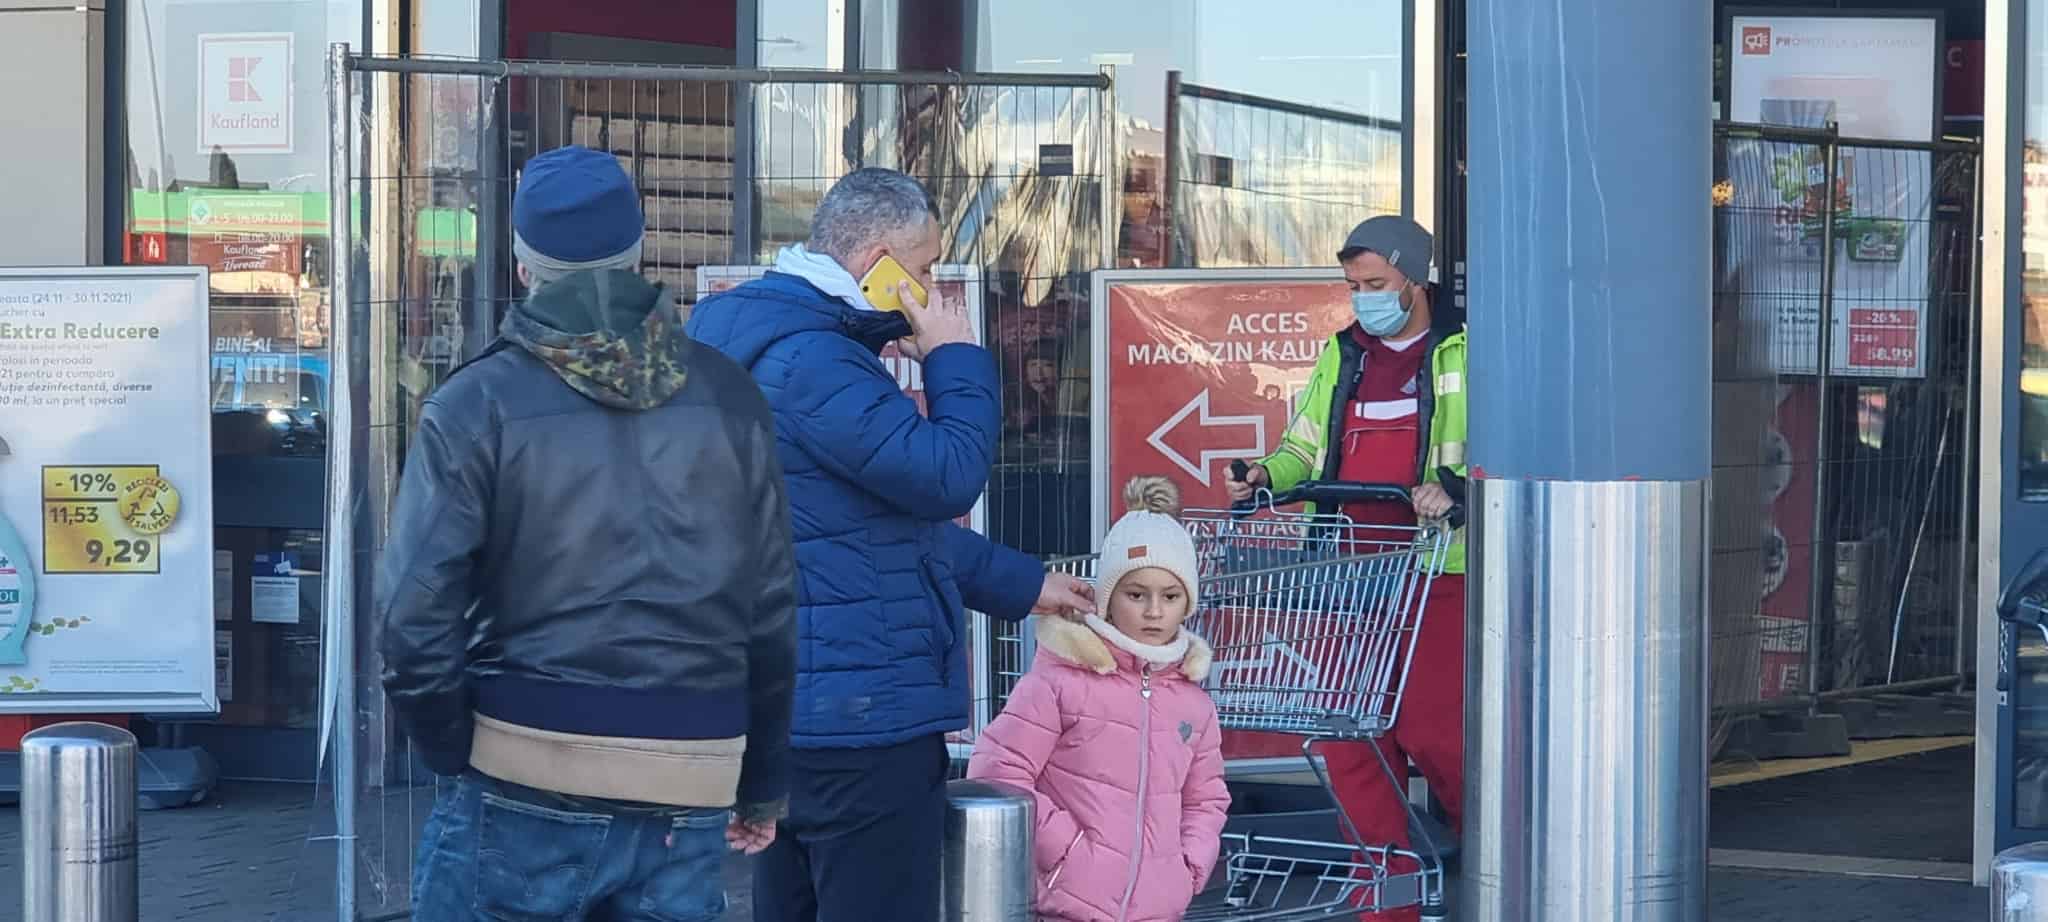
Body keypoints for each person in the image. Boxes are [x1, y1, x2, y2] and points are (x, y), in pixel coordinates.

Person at [377, 145, 796, 921]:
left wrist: (451, 751)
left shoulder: (475, 404)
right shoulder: (732, 397)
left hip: (523, 772)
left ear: (524, 265)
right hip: (691, 780)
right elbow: (771, 608)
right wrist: (762, 782)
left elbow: (412, 617)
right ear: (638, 250)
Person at [685, 167, 1097, 922]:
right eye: (926, 266)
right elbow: (946, 478)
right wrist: (955, 355)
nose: (933, 289)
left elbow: (860, 525)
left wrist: (1021, 582)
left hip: (789, 703)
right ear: (876, 257)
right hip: (859, 714)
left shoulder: (755, 336)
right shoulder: (814, 361)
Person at [1225, 215, 1467, 922]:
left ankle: (1497, 851)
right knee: (1350, 736)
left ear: (1415, 280)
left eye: (1376, 284)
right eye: (1353, 285)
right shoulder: (1343, 356)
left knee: (1433, 731)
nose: (1363, 298)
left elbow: (1493, 444)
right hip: (1347, 570)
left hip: (1434, 571)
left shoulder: (1464, 352)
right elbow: (1305, 446)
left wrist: (1452, 487)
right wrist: (1263, 475)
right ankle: (1382, 898)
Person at [967, 476, 1231, 922]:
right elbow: (998, 770)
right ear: (1108, 600)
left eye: (1170, 596)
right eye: (1135, 594)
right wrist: (1068, 852)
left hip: (1160, 908)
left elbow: (1207, 799)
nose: (1153, 611)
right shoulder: (1060, 681)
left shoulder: (1193, 704)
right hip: (1067, 905)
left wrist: (1188, 867)